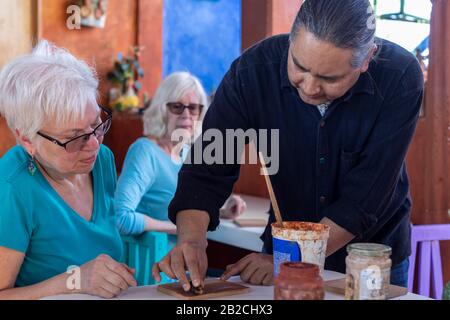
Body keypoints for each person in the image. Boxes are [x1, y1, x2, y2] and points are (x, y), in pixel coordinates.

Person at [152, 0, 424, 291]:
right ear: (292, 39)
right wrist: (191, 241)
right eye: (299, 67)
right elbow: (208, 171)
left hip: (367, 258)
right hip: (280, 251)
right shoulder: (253, 74)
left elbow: (364, 198)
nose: (309, 87)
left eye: (329, 78)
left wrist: (291, 260)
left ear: (367, 59)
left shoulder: (399, 77)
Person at [0, 40, 136, 299]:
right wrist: (75, 281)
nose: (94, 144)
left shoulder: (101, 160)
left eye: (97, 124)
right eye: (74, 138)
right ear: (28, 140)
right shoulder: (12, 186)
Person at [114, 72, 247, 249]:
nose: (186, 115)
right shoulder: (145, 151)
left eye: (193, 108)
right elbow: (120, 218)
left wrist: (223, 211)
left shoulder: (187, 153)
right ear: (162, 110)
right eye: (177, 107)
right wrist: (182, 229)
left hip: (184, 265)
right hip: (154, 268)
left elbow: (184, 209)